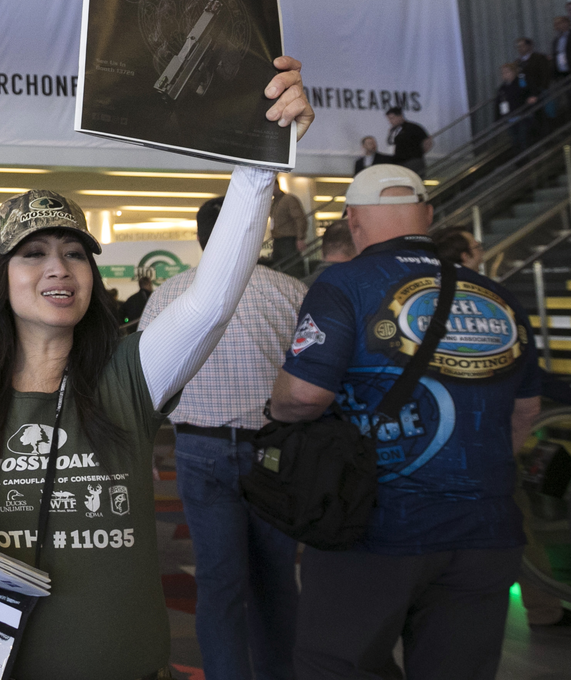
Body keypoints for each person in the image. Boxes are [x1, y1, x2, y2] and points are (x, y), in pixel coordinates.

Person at [0, 54, 311, 680]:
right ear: (2, 279)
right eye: (35, 253)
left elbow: (211, 302)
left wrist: (257, 166)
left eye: (74, 253)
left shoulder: (127, 374)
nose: (58, 267)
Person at [269, 164, 541, 680]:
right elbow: (526, 411)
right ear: (430, 216)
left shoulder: (343, 285)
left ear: (352, 220)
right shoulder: (496, 295)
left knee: (337, 663)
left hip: (374, 528)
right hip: (487, 532)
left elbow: (304, 398)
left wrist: (276, 407)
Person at [145, 195, 307, 680]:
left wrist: (148, 445)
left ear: (199, 239)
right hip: (277, 451)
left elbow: (151, 381)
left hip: (200, 449)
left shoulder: (170, 294)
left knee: (219, 584)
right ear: (254, 233)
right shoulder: (291, 290)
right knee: (278, 581)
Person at [270, 185, 309, 276]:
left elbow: (299, 218)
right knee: (280, 268)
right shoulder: (274, 202)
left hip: (288, 239)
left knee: (293, 268)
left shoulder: (288, 199)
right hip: (277, 239)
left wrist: (300, 238)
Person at [384, 106, 431, 175]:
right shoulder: (393, 130)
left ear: (400, 116)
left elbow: (428, 141)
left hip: (412, 160)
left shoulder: (413, 127)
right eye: (389, 119)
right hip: (398, 161)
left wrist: (418, 153)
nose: (390, 121)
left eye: (392, 118)